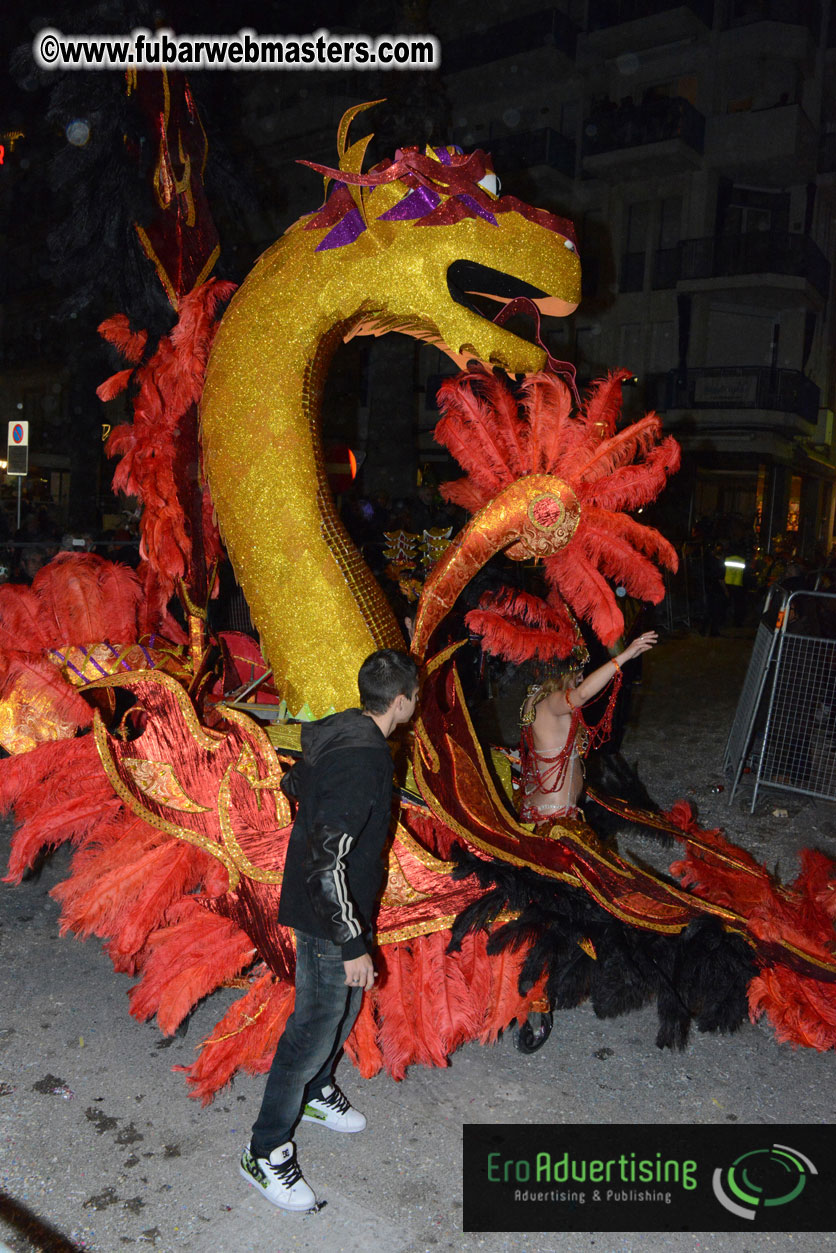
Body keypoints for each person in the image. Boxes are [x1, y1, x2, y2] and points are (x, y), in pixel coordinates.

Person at [240, 648, 419, 1212]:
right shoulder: (363, 758)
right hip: (327, 912)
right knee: (314, 1027)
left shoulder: (348, 725)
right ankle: (264, 1150)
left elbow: (296, 784)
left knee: (340, 1012)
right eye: (416, 695)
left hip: (338, 902)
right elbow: (326, 863)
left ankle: (316, 1092)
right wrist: (350, 941)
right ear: (401, 702)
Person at [518, 632, 658, 824]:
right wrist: (625, 656)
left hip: (548, 809)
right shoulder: (551, 703)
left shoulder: (536, 696)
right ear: (564, 674)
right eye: (578, 672)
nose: (582, 677)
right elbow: (582, 694)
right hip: (556, 816)